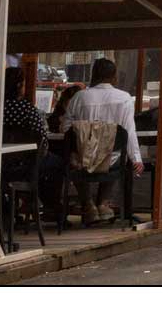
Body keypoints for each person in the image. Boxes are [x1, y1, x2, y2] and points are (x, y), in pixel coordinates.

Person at [64, 58, 143, 224]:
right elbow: (129, 130)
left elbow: (67, 128)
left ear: (94, 75)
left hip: (83, 159)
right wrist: (136, 158)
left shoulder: (79, 97)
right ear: (114, 77)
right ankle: (103, 202)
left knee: (75, 158)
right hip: (112, 160)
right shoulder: (124, 98)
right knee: (116, 154)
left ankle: (88, 204)